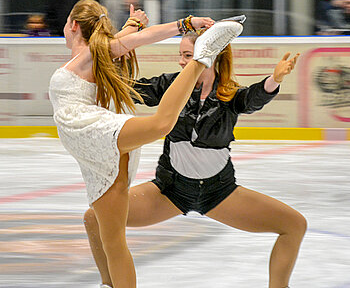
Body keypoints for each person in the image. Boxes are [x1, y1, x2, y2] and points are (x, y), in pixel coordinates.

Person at [83, 29, 304, 288]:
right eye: (181, 55)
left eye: (187, 55)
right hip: (170, 191)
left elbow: (252, 98)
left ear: (209, 56)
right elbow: (132, 90)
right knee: (93, 218)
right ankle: (109, 285)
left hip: (219, 192)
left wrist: (274, 80)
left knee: (295, 225)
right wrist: (120, 47)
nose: (181, 61)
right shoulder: (170, 86)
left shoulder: (229, 94)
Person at [48, 0, 243, 288]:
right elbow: (126, 39)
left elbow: (139, 38)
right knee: (109, 236)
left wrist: (185, 24)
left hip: (94, 130)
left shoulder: (93, 53)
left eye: (65, 24)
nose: (64, 29)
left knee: (161, 124)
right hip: (93, 152)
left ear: (73, 25)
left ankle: (203, 56)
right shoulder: (98, 52)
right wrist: (133, 23)